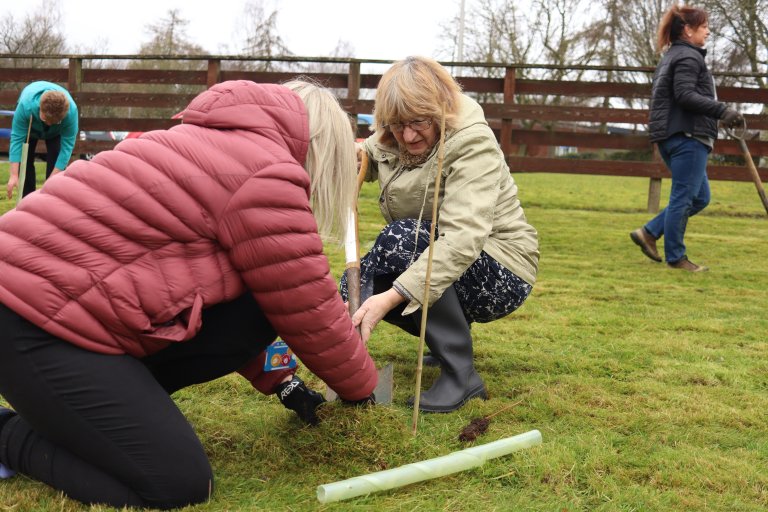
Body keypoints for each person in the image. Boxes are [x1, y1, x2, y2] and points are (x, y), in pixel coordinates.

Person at [0, 79, 378, 510]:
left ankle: (85, 418)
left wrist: (284, 383)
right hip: (30, 320)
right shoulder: (267, 172)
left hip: (64, 312)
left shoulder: (217, 144)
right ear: (321, 147)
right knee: (176, 483)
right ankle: (8, 435)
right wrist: (362, 391)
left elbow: (249, 309)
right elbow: (311, 308)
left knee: (258, 306)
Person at [342, 56, 539, 413]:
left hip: (503, 270)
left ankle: (461, 374)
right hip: (446, 254)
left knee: (402, 240)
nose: (408, 135)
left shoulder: (471, 142)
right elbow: (375, 152)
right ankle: (349, 350)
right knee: (365, 277)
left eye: (418, 123)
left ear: (440, 110)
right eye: (398, 124)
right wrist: (355, 154)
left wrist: (389, 297)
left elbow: (463, 238)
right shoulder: (395, 134)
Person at [630, 4, 743, 272]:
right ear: (688, 30)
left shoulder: (672, 56)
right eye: (704, 27)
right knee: (683, 197)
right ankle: (676, 258)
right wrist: (723, 111)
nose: (708, 32)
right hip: (688, 136)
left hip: (675, 135)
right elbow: (685, 95)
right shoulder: (688, 57)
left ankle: (649, 232)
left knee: (699, 197)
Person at [6, 81, 79, 199]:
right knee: (26, 161)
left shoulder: (71, 113)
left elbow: (67, 148)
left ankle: (51, 201)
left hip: (56, 133)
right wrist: (14, 175)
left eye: (53, 122)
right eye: (46, 120)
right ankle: (27, 201)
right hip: (31, 126)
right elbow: (16, 139)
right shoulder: (25, 106)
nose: (49, 123)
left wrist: (50, 183)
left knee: (55, 169)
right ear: (40, 108)